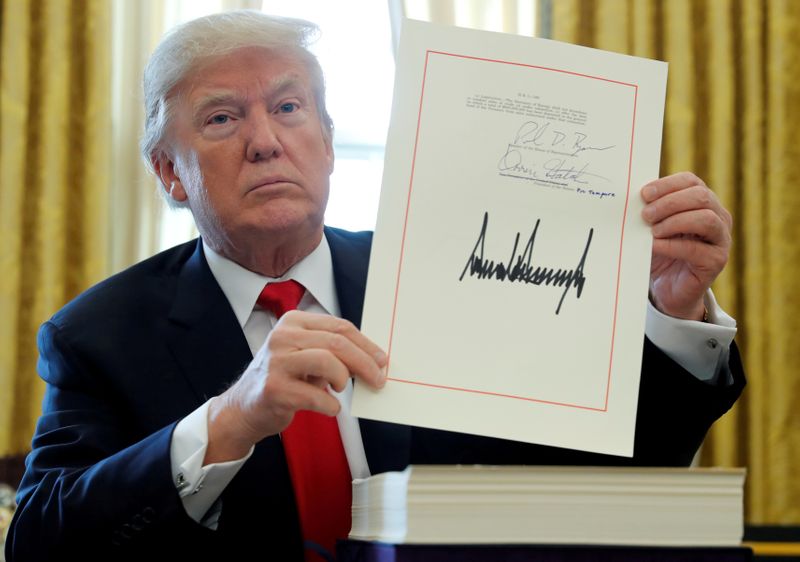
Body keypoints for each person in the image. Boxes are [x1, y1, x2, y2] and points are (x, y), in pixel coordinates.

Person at [5, 10, 744, 562]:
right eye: (223, 117)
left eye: (289, 108)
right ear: (170, 174)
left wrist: (670, 311)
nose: (266, 139)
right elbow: (39, 540)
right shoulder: (98, 337)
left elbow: (608, 476)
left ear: (326, 142)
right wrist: (229, 419)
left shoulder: (442, 278)